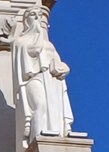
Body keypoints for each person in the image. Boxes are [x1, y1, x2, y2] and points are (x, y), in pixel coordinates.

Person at [13, 4, 75, 142]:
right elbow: (30, 53)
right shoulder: (21, 42)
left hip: (51, 79)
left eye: (38, 16)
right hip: (33, 78)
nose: (35, 18)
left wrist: (64, 68)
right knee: (40, 105)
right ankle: (37, 134)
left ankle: (59, 131)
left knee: (53, 108)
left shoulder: (48, 45)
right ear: (26, 20)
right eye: (32, 15)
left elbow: (57, 61)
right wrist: (38, 37)